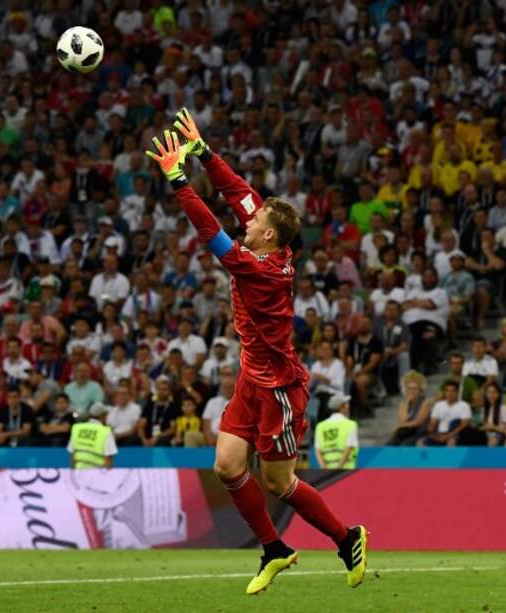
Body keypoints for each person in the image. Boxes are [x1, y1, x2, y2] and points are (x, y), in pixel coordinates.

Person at [146, 110, 366, 594]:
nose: (249, 217)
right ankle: (275, 549)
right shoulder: (269, 241)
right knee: (226, 465)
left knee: (278, 483)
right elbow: (237, 192)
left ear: (267, 235)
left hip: (279, 387)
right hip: (251, 376)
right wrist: (204, 153)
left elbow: (211, 233)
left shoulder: (260, 269)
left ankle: (346, 537)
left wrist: (179, 180)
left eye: (257, 220)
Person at [314, 394, 359, 469]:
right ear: (341, 406)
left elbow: (318, 451)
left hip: (326, 472)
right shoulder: (350, 424)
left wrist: (324, 469)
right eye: (346, 403)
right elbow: (348, 448)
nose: (348, 406)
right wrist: (338, 469)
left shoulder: (320, 426)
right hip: (346, 470)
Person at [68, 402, 117, 468]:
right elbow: (108, 458)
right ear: (102, 416)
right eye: (106, 415)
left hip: (79, 473)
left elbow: (72, 454)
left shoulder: (77, 428)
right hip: (97, 474)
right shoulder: (106, 431)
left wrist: (74, 473)